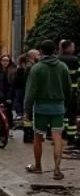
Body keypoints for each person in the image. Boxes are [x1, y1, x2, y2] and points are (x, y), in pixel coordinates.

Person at [24, 40, 72, 179]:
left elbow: (31, 92)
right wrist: (65, 104)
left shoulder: (37, 68)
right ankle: (57, 169)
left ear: (41, 51)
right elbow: (68, 88)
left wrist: (27, 110)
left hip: (41, 108)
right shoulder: (62, 67)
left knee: (38, 137)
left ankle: (38, 166)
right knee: (57, 137)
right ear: (55, 50)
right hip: (58, 107)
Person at [59, 40, 80, 146]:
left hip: (60, 92)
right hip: (72, 91)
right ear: (67, 48)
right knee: (72, 114)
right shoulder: (74, 59)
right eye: (73, 47)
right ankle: (71, 137)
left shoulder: (57, 60)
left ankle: (63, 133)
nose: (74, 49)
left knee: (63, 114)